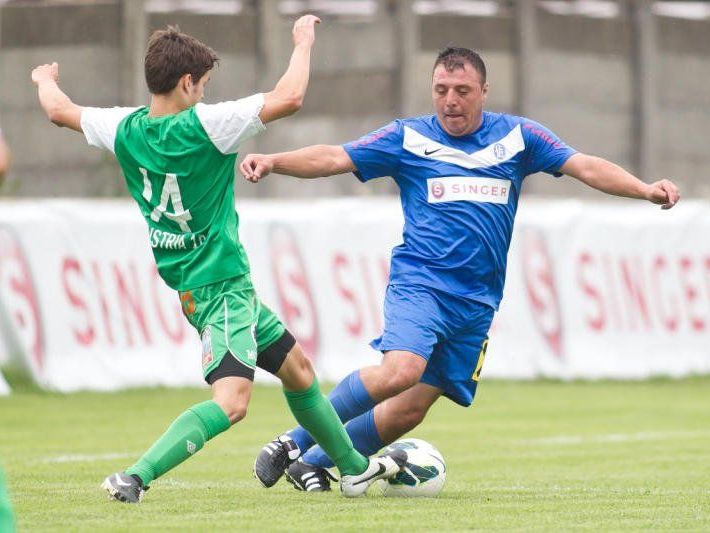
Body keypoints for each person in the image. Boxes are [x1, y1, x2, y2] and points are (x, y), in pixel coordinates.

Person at [240, 46, 680, 491]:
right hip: (422, 285)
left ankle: (313, 462)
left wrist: (643, 189)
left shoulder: (519, 137)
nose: (450, 99)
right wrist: (275, 161)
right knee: (400, 370)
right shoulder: (408, 138)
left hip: (477, 301)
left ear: (484, 92)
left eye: (463, 90)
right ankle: (291, 443)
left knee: (411, 408)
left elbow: (585, 165)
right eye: (441, 90)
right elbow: (336, 157)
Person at [31, 17, 405, 503]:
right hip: (221, 289)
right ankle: (135, 477)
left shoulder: (124, 127)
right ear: (187, 83)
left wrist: (44, 79)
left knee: (299, 372)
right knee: (232, 404)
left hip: (207, 287)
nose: (204, 95)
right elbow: (289, 97)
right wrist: (303, 42)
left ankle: (354, 469)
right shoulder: (206, 124)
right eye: (203, 86)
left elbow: (59, 112)